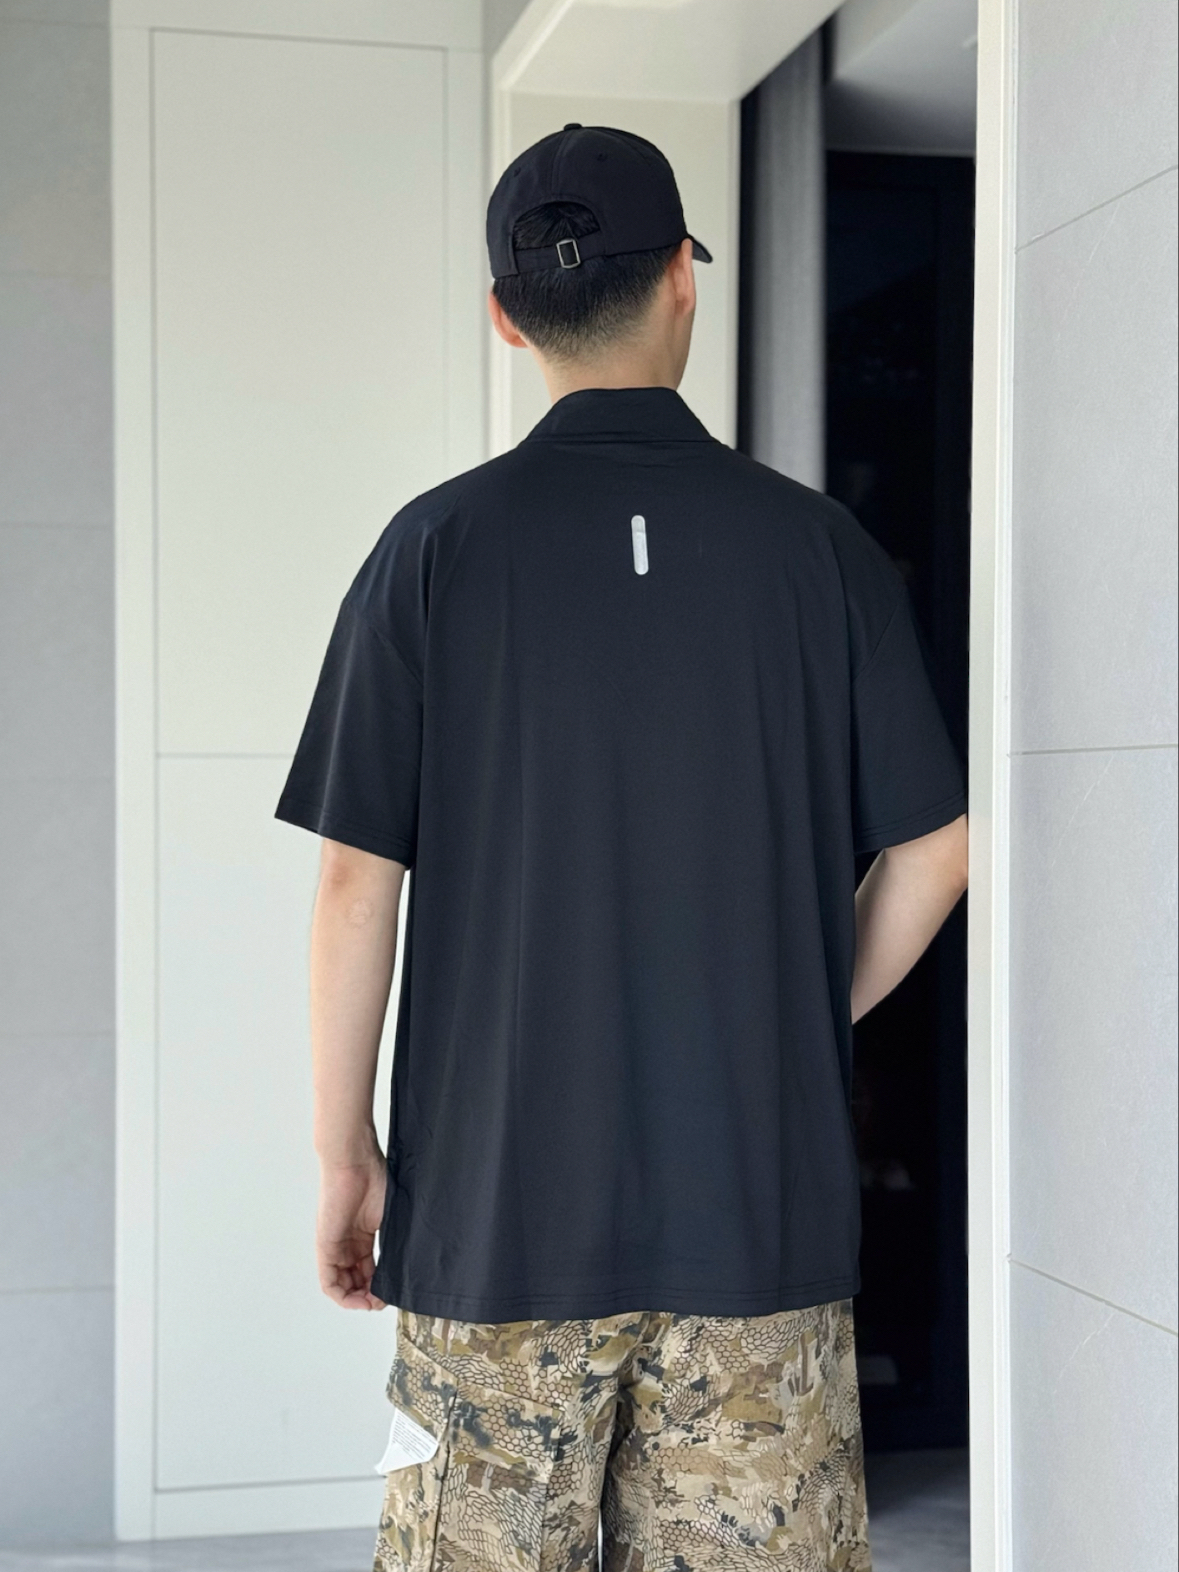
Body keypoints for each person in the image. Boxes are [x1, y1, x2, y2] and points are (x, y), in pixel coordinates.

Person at [275, 123, 968, 1572]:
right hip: (760, 1232)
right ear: (683, 281)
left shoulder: (432, 551)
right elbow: (938, 850)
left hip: (490, 1231)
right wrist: (794, 1012)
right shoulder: (822, 552)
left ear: (505, 316)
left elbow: (353, 884)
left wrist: (347, 1156)